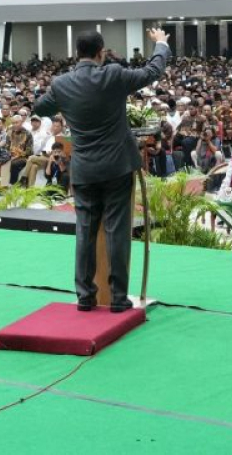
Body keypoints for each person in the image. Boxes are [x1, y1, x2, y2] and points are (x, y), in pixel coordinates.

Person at [32, 27, 170, 313]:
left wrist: (65, 100)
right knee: (117, 231)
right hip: (117, 165)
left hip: (83, 168)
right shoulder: (114, 74)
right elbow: (152, 71)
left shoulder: (61, 83)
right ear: (101, 52)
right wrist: (160, 45)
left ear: (77, 53)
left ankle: (85, 296)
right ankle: (119, 298)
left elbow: (41, 108)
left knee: (85, 231)